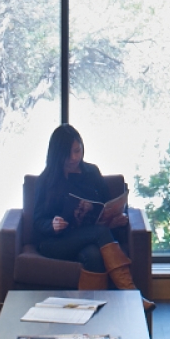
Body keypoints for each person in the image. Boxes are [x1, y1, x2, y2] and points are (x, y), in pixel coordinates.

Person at [29, 125, 150, 306]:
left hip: (89, 239)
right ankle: (132, 295)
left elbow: (105, 206)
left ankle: (88, 312)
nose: (75, 157)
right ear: (57, 154)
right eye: (68, 154)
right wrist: (52, 224)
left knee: (93, 255)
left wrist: (115, 219)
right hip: (56, 242)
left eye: (77, 151)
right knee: (99, 233)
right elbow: (37, 220)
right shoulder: (46, 180)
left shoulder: (92, 172)